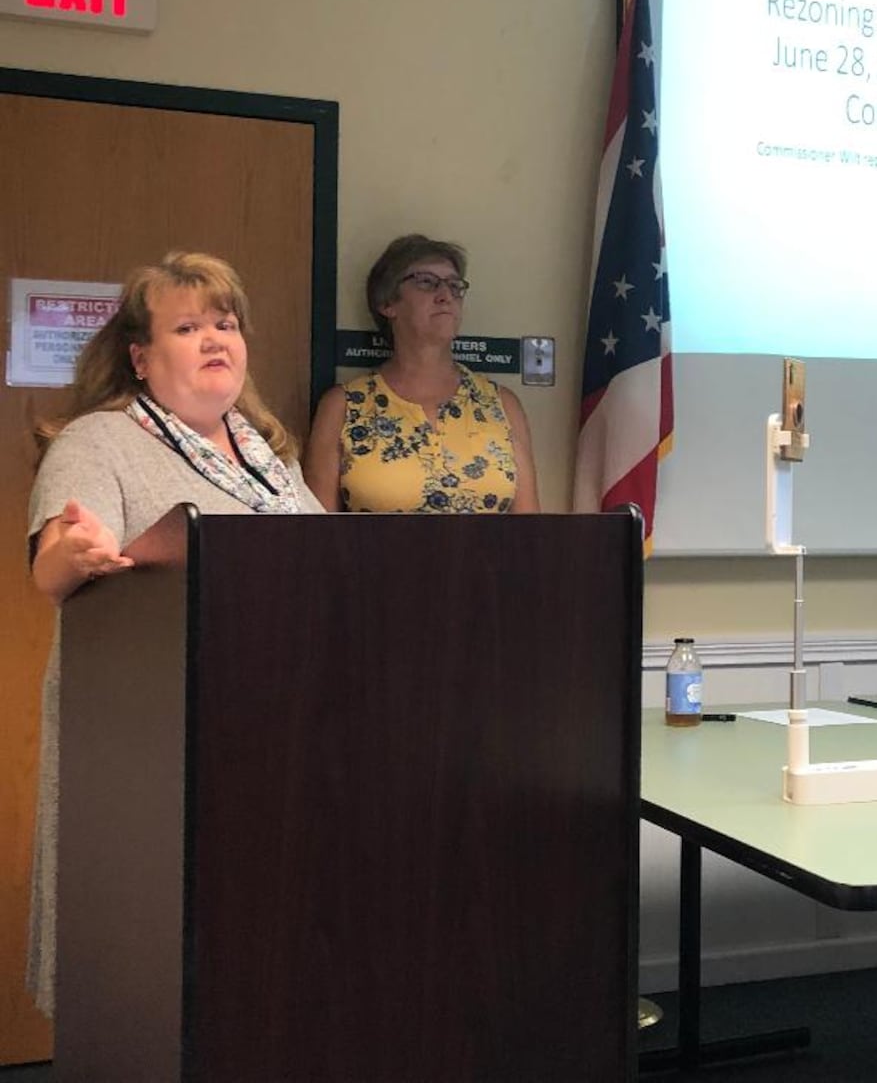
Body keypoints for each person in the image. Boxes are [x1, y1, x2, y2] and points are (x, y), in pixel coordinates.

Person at [25, 251, 322, 1017]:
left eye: (226, 323)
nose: (215, 338)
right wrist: (74, 553)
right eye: (188, 327)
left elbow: (328, 561)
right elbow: (52, 567)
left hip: (275, 729)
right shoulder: (100, 441)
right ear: (141, 355)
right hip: (148, 742)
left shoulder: (268, 454)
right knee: (147, 984)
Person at [304, 234, 540, 513]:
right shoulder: (344, 406)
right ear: (387, 303)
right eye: (427, 282)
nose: (445, 295)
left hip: (488, 558)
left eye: (455, 286)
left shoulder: (501, 406)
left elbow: (530, 534)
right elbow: (316, 537)